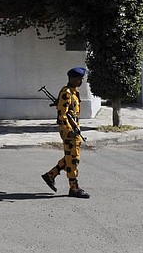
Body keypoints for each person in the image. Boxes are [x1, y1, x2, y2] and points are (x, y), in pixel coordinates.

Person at [41, 67, 90, 199]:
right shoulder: (66, 93)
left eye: (82, 79)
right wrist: (70, 132)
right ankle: (74, 188)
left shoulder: (74, 92)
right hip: (69, 132)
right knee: (73, 159)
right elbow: (61, 116)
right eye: (79, 79)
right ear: (72, 79)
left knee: (72, 157)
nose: (81, 81)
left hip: (75, 129)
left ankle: (50, 175)